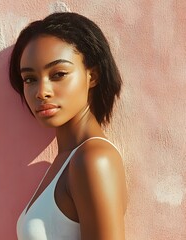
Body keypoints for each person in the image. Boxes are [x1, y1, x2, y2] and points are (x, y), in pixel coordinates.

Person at [10, 12, 127, 240]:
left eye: (58, 74)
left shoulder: (93, 159)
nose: (42, 92)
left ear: (92, 76)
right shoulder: (66, 161)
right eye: (30, 79)